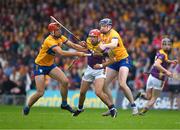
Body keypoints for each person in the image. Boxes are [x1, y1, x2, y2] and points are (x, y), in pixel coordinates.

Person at [23, 22, 89, 115]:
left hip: (50, 65)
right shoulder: (49, 41)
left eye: (59, 29)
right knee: (40, 92)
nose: (59, 31)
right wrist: (77, 53)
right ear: (52, 32)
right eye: (57, 30)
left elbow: (73, 46)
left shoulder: (61, 37)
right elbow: (61, 52)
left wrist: (85, 48)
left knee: (65, 81)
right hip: (40, 66)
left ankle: (64, 104)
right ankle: (28, 106)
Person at [94, 18, 138, 116]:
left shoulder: (114, 34)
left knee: (122, 83)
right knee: (104, 85)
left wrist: (104, 46)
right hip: (113, 61)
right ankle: (112, 108)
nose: (101, 27)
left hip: (123, 60)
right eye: (100, 25)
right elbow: (98, 46)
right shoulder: (101, 35)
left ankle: (134, 106)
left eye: (103, 26)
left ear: (109, 27)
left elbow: (113, 45)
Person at [72, 29, 117, 118]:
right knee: (82, 93)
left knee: (98, 92)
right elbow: (85, 48)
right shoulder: (88, 41)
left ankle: (112, 108)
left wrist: (100, 65)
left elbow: (113, 60)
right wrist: (83, 45)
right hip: (89, 69)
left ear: (98, 37)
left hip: (100, 70)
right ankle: (80, 108)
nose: (91, 39)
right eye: (91, 37)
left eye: (94, 37)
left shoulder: (104, 47)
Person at [135, 37, 178, 115]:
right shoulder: (163, 54)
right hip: (158, 78)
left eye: (169, 45)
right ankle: (142, 112)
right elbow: (157, 64)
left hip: (151, 77)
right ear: (163, 45)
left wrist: (171, 61)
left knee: (148, 97)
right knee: (154, 98)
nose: (168, 46)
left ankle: (141, 94)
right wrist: (167, 72)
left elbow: (164, 60)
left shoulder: (161, 52)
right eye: (167, 45)